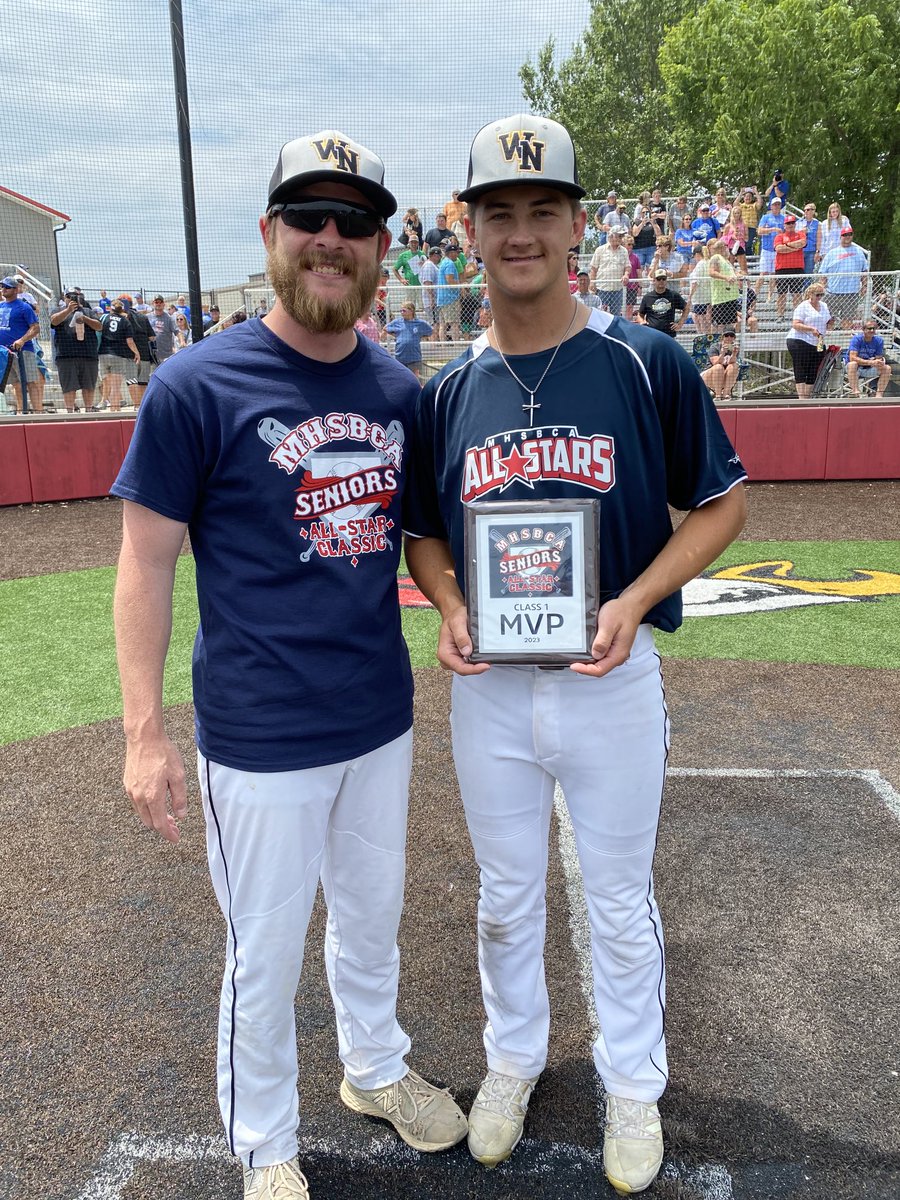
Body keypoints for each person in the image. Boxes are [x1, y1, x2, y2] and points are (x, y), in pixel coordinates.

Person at [111, 128, 467, 1200]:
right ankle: (265, 1141)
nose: (329, 238)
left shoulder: (400, 390)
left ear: (379, 248)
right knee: (262, 956)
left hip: (379, 717)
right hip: (260, 735)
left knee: (370, 921)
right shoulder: (195, 385)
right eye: (308, 218)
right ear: (270, 235)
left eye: (353, 221)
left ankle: (373, 1069)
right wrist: (143, 732)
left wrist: (453, 604)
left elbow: (418, 539)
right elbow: (144, 562)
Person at [403, 111, 747, 1198]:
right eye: (498, 213)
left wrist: (640, 598)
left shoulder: (643, 361)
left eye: (541, 211)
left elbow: (724, 503)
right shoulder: (446, 390)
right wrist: (450, 601)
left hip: (610, 680)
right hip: (492, 695)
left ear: (576, 224)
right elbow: (422, 531)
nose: (520, 233)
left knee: (617, 893)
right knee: (505, 897)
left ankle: (632, 1084)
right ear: (468, 230)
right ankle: (512, 1062)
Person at [49, 289, 103, 412]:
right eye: (69, 296)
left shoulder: (88, 311)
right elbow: (54, 321)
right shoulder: (58, 310)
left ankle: (88, 410)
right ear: (64, 297)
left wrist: (85, 318)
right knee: (69, 387)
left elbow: (99, 326)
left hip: (88, 355)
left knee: (88, 386)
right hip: (66, 355)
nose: (73, 298)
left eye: (76, 296)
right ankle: (69, 412)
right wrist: (68, 310)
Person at [0, 276, 43, 412]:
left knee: (31, 382)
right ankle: (20, 412)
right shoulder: (1, 306)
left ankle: (38, 413)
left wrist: (22, 340)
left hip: (23, 350)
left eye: (7, 287)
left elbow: (35, 328)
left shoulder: (24, 307)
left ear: (16, 289)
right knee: (16, 384)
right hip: (5, 352)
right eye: (2, 287)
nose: (4, 289)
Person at [786, 282, 832, 400]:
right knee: (801, 365)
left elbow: (827, 321)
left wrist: (831, 322)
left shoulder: (824, 306)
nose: (820, 297)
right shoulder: (803, 306)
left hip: (819, 340)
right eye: (817, 295)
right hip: (800, 339)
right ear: (810, 294)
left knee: (815, 367)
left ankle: (807, 396)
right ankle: (802, 397)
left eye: (822, 294)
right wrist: (811, 329)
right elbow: (795, 324)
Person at [818, 228, 868, 329]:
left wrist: (864, 286)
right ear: (840, 237)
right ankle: (827, 340)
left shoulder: (859, 252)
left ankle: (844, 341)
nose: (847, 236)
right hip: (832, 293)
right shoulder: (832, 253)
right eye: (845, 235)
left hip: (852, 293)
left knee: (848, 319)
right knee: (829, 319)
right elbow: (823, 274)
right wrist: (821, 288)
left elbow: (864, 272)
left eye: (849, 234)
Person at [98, 300, 139, 411]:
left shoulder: (104, 318)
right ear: (122, 309)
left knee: (107, 383)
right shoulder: (125, 321)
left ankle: (110, 407)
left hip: (103, 354)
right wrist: (136, 352)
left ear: (111, 308)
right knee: (116, 387)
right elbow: (129, 341)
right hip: (117, 354)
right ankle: (115, 410)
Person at [772, 214, 807, 319]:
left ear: (795, 224)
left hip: (797, 268)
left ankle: (798, 316)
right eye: (788, 223)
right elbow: (779, 249)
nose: (790, 225)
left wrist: (786, 246)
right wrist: (793, 247)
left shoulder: (800, 234)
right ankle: (780, 315)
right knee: (781, 294)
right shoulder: (779, 236)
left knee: (797, 293)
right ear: (784, 225)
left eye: (792, 223)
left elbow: (802, 243)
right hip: (782, 268)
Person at [386, 301, 432, 378]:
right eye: (401, 310)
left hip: (414, 356)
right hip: (400, 356)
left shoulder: (420, 323)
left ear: (411, 311)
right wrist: (397, 335)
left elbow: (430, 331)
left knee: (414, 378)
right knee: (401, 377)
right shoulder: (398, 322)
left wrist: (419, 336)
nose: (401, 312)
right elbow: (386, 328)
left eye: (404, 310)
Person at [588, 229, 630, 316]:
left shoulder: (624, 251)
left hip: (617, 289)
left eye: (621, 236)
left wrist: (626, 275)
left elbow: (627, 266)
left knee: (616, 315)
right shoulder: (600, 250)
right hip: (602, 289)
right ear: (611, 236)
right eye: (619, 236)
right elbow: (593, 268)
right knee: (600, 314)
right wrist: (592, 282)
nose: (621, 238)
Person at [637, 268, 690, 336]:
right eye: (659, 279)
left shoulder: (673, 295)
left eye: (663, 278)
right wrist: (642, 322)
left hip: (669, 335)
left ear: (666, 280)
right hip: (652, 334)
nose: (661, 281)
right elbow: (640, 314)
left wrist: (680, 323)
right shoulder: (647, 297)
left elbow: (686, 308)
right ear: (654, 280)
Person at [847, 320, 890, 398]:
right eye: (869, 328)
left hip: (870, 368)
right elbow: (852, 358)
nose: (872, 330)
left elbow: (878, 358)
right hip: (856, 369)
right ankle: (855, 392)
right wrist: (870, 362)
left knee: (887, 368)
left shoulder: (879, 341)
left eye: (874, 328)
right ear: (863, 329)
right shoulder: (856, 339)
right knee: (852, 364)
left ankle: (879, 395)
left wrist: (879, 362)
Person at [706, 239, 741, 333]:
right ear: (722, 248)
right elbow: (711, 272)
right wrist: (726, 278)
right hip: (721, 298)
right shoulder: (716, 258)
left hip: (730, 297)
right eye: (726, 247)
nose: (728, 250)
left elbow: (735, 272)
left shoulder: (727, 261)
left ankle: (729, 343)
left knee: (731, 323)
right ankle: (717, 342)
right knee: (720, 324)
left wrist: (740, 275)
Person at [701, 329, 744, 401]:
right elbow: (715, 362)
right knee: (718, 367)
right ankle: (718, 395)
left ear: (734, 338)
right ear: (722, 337)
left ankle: (725, 394)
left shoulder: (734, 348)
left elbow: (732, 362)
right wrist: (722, 353)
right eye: (727, 336)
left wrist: (734, 354)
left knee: (734, 366)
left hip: (725, 378)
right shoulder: (715, 346)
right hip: (710, 376)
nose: (729, 338)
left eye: (731, 336)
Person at [757, 197, 786, 300]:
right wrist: (772, 229)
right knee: (763, 273)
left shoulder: (783, 218)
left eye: (778, 204)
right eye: (775, 204)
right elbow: (759, 231)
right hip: (766, 249)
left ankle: (769, 296)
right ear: (771, 206)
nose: (776, 206)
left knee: (773, 274)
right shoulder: (766, 217)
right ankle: (754, 294)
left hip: (777, 250)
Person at [393, 232, 425, 311]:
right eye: (412, 242)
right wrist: (401, 279)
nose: (413, 244)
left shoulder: (422, 254)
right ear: (409, 243)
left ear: (418, 243)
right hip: (409, 285)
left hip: (421, 285)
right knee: (409, 307)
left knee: (423, 307)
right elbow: (395, 269)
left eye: (415, 242)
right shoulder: (403, 255)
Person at [436, 241, 460, 341]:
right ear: (451, 253)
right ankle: (456, 345)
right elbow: (450, 280)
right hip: (450, 298)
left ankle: (442, 346)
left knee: (443, 324)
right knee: (454, 323)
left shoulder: (443, 263)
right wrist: (461, 284)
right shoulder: (450, 264)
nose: (457, 255)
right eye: (456, 252)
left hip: (442, 298)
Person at [147, 295, 178, 363]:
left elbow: (177, 332)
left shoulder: (169, 318)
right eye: (156, 302)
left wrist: (182, 341)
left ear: (164, 304)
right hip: (151, 355)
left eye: (160, 302)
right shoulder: (147, 317)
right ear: (153, 303)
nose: (158, 304)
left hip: (166, 356)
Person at [419, 246, 441, 335]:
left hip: (434, 300)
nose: (439, 258)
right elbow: (428, 282)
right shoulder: (429, 265)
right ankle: (434, 346)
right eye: (438, 256)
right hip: (431, 301)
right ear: (433, 255)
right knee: (434, 323)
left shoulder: (432, 265)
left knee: (436, 322)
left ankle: (435, 344)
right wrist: (432, 299)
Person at [799, 203, 819, 276]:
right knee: (799, 273)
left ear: (813, 211)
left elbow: (819, 239)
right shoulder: (799, 222)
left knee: (808, 274)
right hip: (800, 251)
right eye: (804, 210)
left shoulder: (817, 223)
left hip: (811, 251)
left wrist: (817, 252)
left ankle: (807, 287)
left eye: (808, 210)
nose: (806, 212)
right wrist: (801, 232)